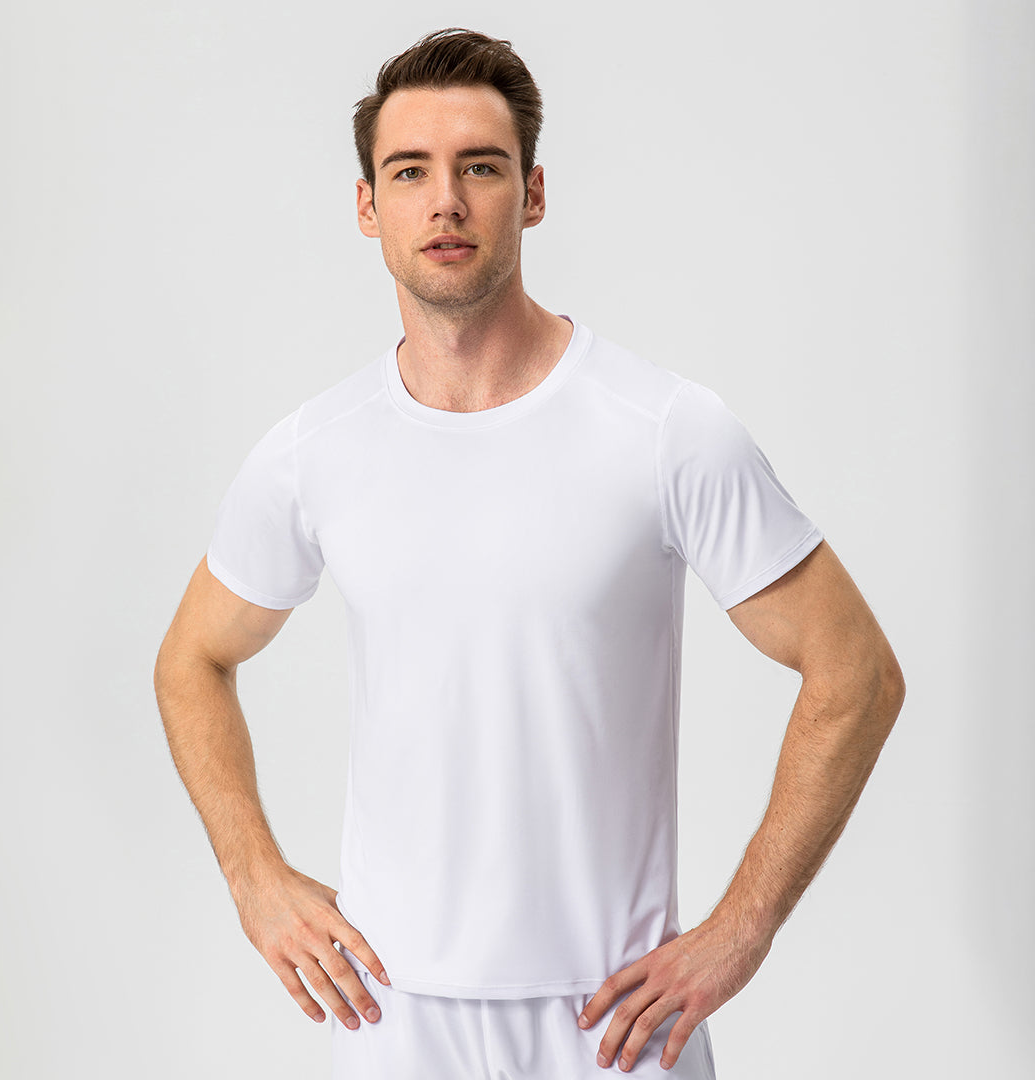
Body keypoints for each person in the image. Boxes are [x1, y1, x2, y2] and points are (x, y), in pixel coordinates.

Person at [154, 27, 904, 1079]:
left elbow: (856, 672)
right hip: (393, 1020)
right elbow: (191, 659)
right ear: (368, 206)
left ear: (533, 193)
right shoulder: (312, 453)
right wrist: (253, 878)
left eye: (481, 167)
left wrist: (741, 931)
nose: (445, 201)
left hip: (614, 1025)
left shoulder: (663, 430)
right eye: (409, 172)